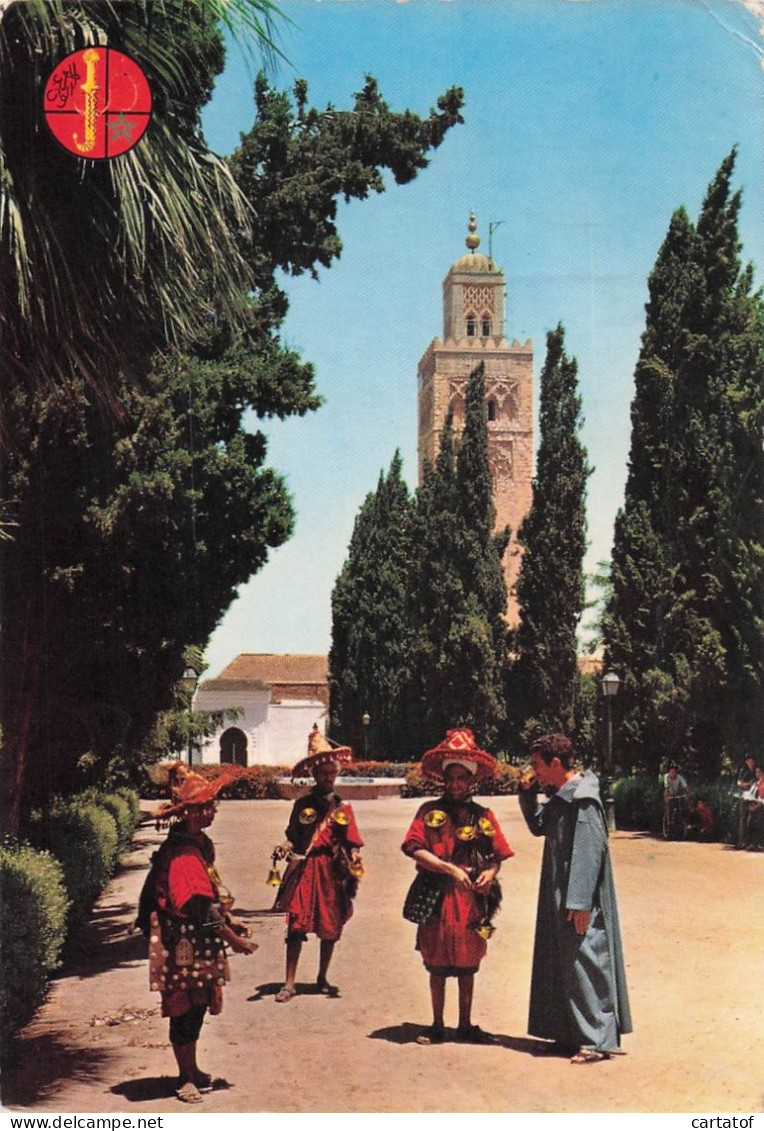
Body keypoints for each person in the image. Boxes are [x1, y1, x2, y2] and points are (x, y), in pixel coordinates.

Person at [142, 773, 257, 1103]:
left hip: (196, 938)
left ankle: (192, 1069)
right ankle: (185, 1078)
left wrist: (231, 918)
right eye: (203, 807)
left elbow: (209, 897)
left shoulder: (197, 845)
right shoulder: (182, 854)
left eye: (211, 805)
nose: (210, 812)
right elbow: (198, 907)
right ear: (187, 812)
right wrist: (234, 939)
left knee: (198, 1005)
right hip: (182, 940)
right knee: (183, 1008)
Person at [518, 733, 632, 1064]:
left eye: (537, 765)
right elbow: (539, 826)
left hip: (576, 898)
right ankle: (565, 1033)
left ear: (555, 763)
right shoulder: (561, 797)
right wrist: (527, 794)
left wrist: (580, 903)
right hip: (557, 894)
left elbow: (589, 852)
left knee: (586, 962)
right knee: (558, 962)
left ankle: (596, 1040)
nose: (533, 770)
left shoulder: (583, 799)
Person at [401, 727, 514, 1045]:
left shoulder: (483, 816)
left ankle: (464, 1024)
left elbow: (498, 853)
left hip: (470, 899)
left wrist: (490, 872)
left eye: (461, 778)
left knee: (468, 961)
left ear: (471, 780)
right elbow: (413, 847)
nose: (454, 784)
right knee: (436, 959)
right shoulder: (428, 812)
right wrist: (448, 869)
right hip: (436, 895)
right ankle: (437, 1024)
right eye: (449, 778)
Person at [272, 726, 364, 1002]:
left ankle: (322, 976)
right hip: (306, 869)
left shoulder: (342, 808)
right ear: (314, 774)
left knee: (330, 924)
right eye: (322, 772)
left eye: (332, 772)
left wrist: (355, 856)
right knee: (296, 924)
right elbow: (293, 837)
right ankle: (289, 983)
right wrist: (285, 847)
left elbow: (351, 840)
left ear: (337, 774)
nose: (327, 777)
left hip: (331, 871)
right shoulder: (302, 806)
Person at [735, 754, 757, 849]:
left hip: (753, 796)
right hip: (744, 796)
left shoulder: (755, 771)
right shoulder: (743, 770)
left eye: (752, 760)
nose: (751, 762)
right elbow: (739, 782)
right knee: (743, 819)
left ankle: (750, 842)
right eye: (749, 760)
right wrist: (747, 784)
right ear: (746, 761)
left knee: (751, 819)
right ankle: (741, 842)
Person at [663, 762, 689, 837]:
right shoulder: (666, 777)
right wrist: (667, 797)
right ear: (669, 772)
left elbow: (685, 786)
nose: (672, 773)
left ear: (676, 773)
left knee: (684, 804)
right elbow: (666, 788)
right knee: (670, 807)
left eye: (674, 772)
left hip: (677, 794)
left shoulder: (679, 777)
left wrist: (688, 793)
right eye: (671, 772)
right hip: (669, 794)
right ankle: (668, 822)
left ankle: (684, 822)